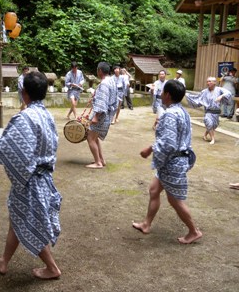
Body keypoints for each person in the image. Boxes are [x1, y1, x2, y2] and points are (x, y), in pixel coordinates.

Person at [0, 71, 62, 280]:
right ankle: (4, 261)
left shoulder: (25, 118)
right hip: (43, 176)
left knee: (30, 222)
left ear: (24, 93)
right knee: (17, 220)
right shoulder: (47, 115)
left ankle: (52, 267)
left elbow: (10, 148)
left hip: (31, 180)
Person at [132, 79, 202, 244]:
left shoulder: (170, 114)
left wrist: (150, 149)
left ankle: (194, 231)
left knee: (174, 200)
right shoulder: (181, 111)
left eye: (162, 92)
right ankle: (146, 224)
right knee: (154, 190)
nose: (161, 94)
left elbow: (169, 144)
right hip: (174, 160)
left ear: (168, 95)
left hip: (174, 162)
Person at [85, 62, 118, 169]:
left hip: (101, 115)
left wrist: (95, 116)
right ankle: (101, 160)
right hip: (107, 113)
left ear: (99, 71)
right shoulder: (112, 81)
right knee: (95, 138)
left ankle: (98, 162)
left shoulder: (104, 84)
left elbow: (102, 101)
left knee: (90, 137)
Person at [186, 76, 232, 144]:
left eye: (210, 81)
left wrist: (221, 96)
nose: (208, 83)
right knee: (208, 122)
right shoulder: (204, 91)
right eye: (207, 81)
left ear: (214, 83)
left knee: (214, 125)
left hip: (216, 111)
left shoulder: (219, 89)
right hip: (208, 111)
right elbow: (198, 98)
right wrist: (187, 95)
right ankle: (212, 139)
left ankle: (205, 135)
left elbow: (228, 93)